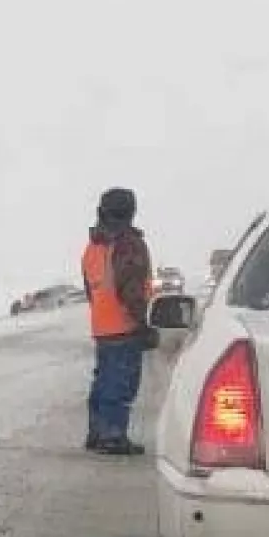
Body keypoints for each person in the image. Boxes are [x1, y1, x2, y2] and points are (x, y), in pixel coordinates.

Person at [81, 187, 158, 455]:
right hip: (125, 326)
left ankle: (97, 432)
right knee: (121, 383)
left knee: (103, 381)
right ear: (131, 212)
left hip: (102, 327)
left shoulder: (93, 246)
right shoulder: (127, 245)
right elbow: (132, 289)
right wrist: (145, 322)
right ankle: (112, 436)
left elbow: (92, 290)